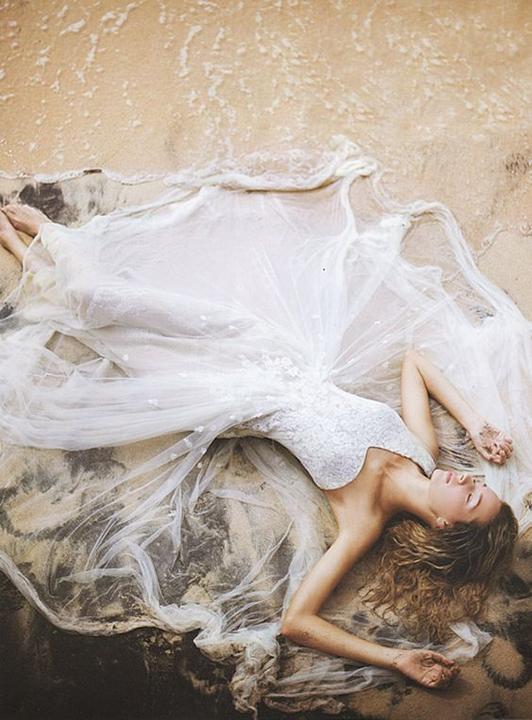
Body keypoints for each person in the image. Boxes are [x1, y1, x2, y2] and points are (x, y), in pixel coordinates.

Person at [0, 149, 527, 716]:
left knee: (106, 327)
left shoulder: (363, 519)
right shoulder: (421, 450)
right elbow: (416, 362)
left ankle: (26, 248)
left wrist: (393, 658)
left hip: (224, 398)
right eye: (477, 482)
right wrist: (475, 422)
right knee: (98, 300)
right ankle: (47, 235)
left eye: (470, 496)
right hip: (261, 347)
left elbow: (296, 622)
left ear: (445, 525)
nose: (466, 478)